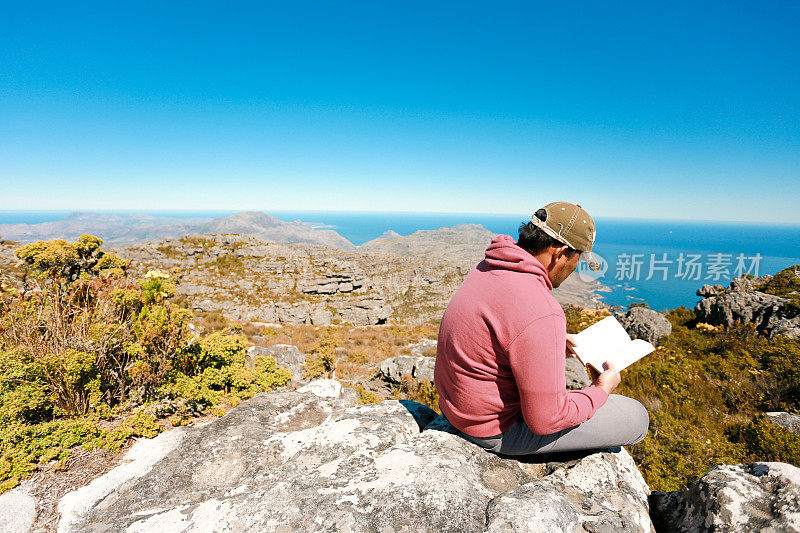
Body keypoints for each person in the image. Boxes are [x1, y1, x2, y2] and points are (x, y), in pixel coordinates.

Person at [433, 202, 649, 456]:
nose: (573, 270)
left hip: (456, 409)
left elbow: (499, 333)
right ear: (560, 253)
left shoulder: (489, 266)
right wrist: (601, 390)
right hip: (495, 430)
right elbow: (546, 420)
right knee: (637, 416)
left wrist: (548, 341)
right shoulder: (541, 310)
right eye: (576, 261)